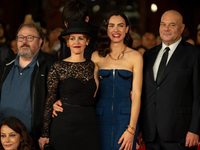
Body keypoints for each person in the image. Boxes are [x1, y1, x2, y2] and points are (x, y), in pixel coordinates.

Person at [139, 10, 200, 150]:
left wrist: (195, 129)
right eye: (163, 24)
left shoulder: (194, 54)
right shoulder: (148, 55)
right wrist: (140, 128)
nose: (166, 28)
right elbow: (145, 94)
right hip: (150, 134)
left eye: (172, 25)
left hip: (181, 134)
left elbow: (199, 95)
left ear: (182, 28)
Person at [38, 21, 100, 150]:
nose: (76, 42)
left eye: (80, 38)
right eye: (72, 38)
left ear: (87, 41)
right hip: (64, 123)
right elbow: (50, 100)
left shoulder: (93, 65)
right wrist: (44, 133)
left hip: (89, 123)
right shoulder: (58, 67)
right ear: (67, 42)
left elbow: (95, 95)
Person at [91, 10, 143, 150]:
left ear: (126, 29)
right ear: (106, 29)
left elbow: (137, 95)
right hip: (99, 118)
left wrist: (131, 129)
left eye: (120, 25)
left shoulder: (136, 56)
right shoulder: (96, 56)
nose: (116, 30)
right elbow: (90, 91)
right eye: (111, 25)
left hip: (125, 120)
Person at [0, 23, 55, 149]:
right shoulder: (5, 65)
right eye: (21, 37)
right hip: (4, 141)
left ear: (40, 41)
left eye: (30, 37)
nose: (24, 41)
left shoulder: (50, 67)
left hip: (32, 140)